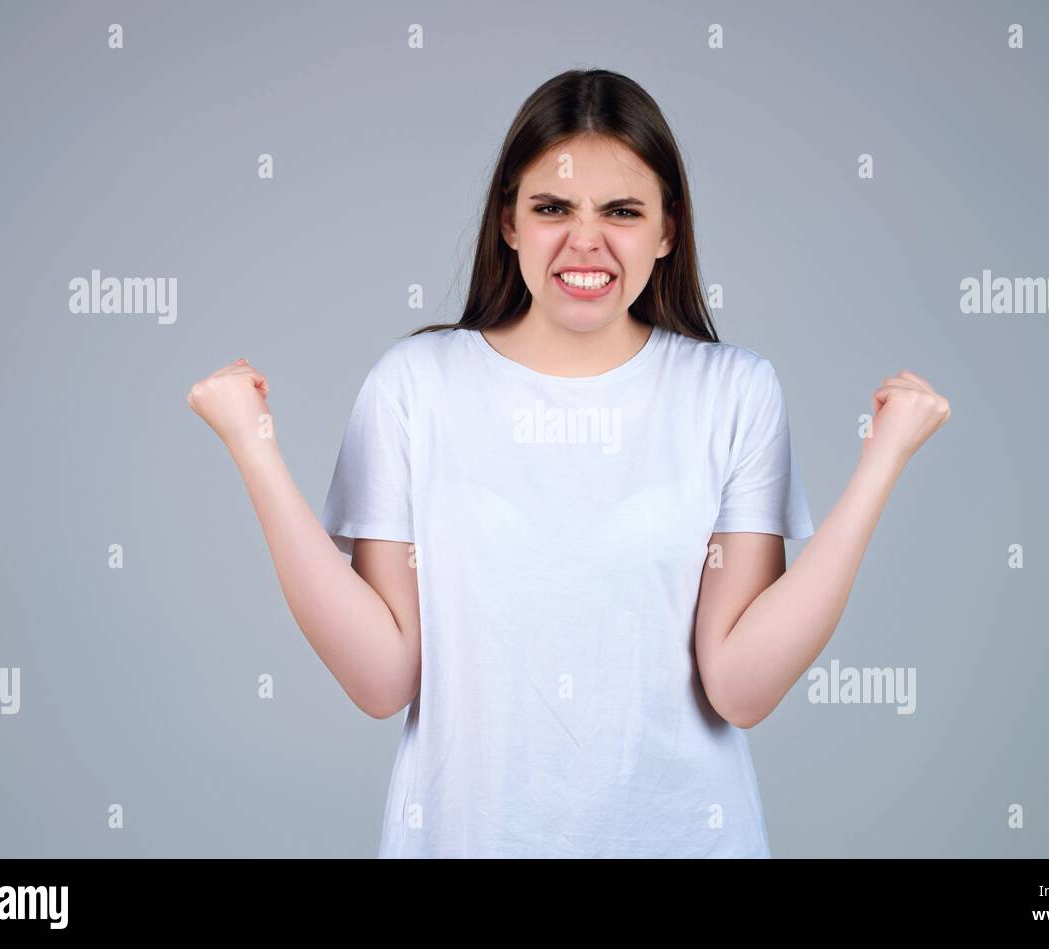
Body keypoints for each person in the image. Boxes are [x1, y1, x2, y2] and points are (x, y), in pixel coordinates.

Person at [187, 68, 950, 858]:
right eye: (553, 208)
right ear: (510, 220)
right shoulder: (416, 386)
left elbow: (741, 686)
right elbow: (381, 676)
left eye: (622, 211)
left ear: (667, 231)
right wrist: (254, 446)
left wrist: (880, 464)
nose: (585, 240)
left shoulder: (732, 393)